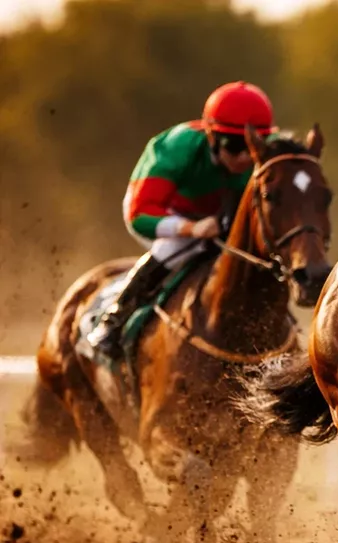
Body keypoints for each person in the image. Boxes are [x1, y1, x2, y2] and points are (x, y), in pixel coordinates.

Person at [86, 81, 278, 358]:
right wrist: (191, 228)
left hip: (218, 215)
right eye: (234, 145)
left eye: (251, 145)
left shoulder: (265, 156)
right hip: (160, 212)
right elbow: (140, 215)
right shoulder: (177, 149)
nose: (244, 157)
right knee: (177, 247)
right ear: (211, 136)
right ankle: (114, 320)